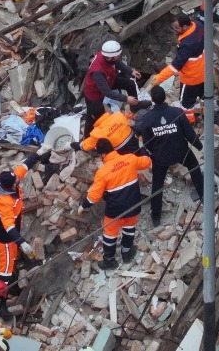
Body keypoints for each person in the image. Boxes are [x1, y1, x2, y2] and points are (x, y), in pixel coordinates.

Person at [76, 140, 151, 269]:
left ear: (103, 154)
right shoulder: (130, 158)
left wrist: (83, 205)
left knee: (110, 233)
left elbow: (94, 196)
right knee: (129, 227)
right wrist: (144, 152)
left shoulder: (103, 172)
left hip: (115, 209)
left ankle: (109, 260)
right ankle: (126, 252)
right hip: (133, 203)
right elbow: (147, 162)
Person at [134, 86, 203, 222]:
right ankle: (203, 194)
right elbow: (189, 133)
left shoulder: (147, 120)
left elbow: (147, 143)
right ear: (165, 97)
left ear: (152, 100)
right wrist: (199, 146)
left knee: (157, 185)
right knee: (194, 167)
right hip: (181, 151)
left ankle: (155, 216)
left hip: (160, 157)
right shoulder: (176, 112)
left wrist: (155, 152)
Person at [152, 10, 206, 110]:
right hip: (205, 72)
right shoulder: (198, 25)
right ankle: (207, 117)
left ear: (185, 26)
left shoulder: (187, 45)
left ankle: (189, 122)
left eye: (177, 28)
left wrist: (159, 78)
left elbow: (176, 66)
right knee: (205, 97)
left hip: (191, 79)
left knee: (186, 105)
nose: (175, 30)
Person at [82, 39, 140, 129]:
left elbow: (116, 62)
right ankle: (86, 139)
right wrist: (126, 98)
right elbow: (107, 92)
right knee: (93, 117)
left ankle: (134, 110)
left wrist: (130, 71)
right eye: (117, 56)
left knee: (130, 84)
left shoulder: (106, 56)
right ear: (109, 57)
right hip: (94, 93)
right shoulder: (97, 72)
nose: (119, 56)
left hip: (109, 79)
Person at [0, 164, 30, 284]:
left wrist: (39, 153)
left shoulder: (8, 183)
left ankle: (13, 258)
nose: (18, 181)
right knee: (5, 268)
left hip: (11, 234)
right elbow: (8, 226)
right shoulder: (4, 202)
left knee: (12, 256)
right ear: (10, 186)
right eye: (15, 182)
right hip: (5, 238)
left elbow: (23, 168)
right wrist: (22, 242)